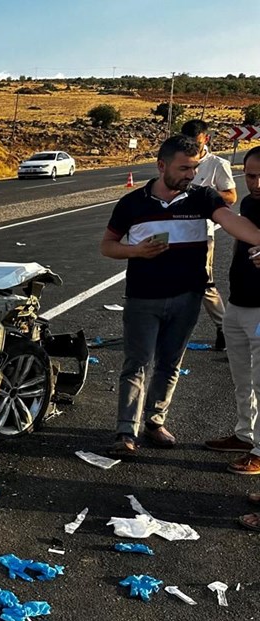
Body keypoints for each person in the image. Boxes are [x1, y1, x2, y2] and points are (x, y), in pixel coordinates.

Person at [99, 135, 260, 455]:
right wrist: (137, 251)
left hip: (187, 297)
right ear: (161, 166)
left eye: (195, 168)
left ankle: (155, 422)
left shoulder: (202, 197)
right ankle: (125, 432)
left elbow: (231, 223)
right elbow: (107, 246)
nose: (192, 175)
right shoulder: (133, 203)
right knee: (137, 363)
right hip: (143, 297)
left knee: (170, 363)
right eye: (184, 168)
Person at [207, 148, 260, 481]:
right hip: (239, 302)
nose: (256, 182)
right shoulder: (251, 204)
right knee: (242, 379)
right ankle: (244, 434)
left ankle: (259, 453)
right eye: (250, 175)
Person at [181, 119, 236, 351]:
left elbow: (232, 197)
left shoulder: (217, 164)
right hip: (172, 229)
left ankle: (224, 327)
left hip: (201, 233)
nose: (190, 147)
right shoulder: (178, 160)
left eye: (195, 143)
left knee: (203, 283)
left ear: (206, 139)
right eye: (186, 143)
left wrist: (205, 194)